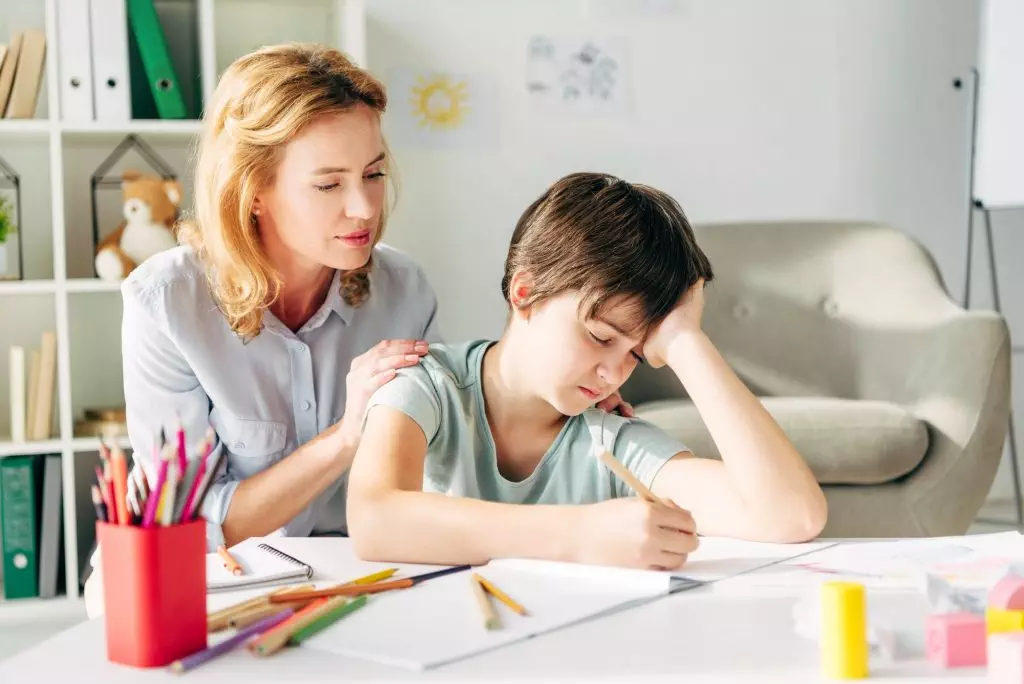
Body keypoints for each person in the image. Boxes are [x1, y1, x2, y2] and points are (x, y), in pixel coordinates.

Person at [84, 45, 629, 616]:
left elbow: (453, 440)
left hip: (361, 579)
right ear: (254, 192)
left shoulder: (403, 288)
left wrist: (565, 391)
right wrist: (344, 437)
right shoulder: (165, 304)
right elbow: (193, 525)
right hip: (215, 586)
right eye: (329, 185)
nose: (364, 208)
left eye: (373, 175)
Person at [346, 172, 828, 570]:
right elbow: (374, 520)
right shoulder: (425, 384)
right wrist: (578, 534)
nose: (613, 375)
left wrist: (686, 342)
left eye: (635, 354)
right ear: (524, 293)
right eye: (600, 337)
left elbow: (791, 516)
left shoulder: (607, 438)